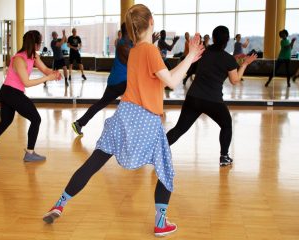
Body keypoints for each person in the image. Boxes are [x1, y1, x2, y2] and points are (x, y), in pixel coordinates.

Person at [43, 4, 204, 237]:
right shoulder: (150, 50)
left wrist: (189, 58)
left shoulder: (137, 50)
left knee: (94, 162)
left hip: (124, 113)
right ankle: (160, 222)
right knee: (166, 169)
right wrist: (190, 56)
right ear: (151, 22)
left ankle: (59, 203)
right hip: (145, 118)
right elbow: (171, 82)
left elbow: (164, 78)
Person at [166, 26, 257, 167]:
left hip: (193, 98)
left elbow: (189, 62)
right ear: (227, 40)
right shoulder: (228, 59)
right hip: (213, 101)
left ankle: (158, 150)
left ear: (213, 38)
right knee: (226, 125)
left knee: (179, 129)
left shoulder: (203, 52)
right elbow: (235, 80)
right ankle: (224, 157)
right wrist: (245, 63)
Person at [0, 30, 61, 162]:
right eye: (39, 42)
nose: (40, 45)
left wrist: (54, 73)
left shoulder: (33, 56)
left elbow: (45, 69)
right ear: (34, 44)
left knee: (4, 122)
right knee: (36, 119)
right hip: (10, 93)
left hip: (10, 92)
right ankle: (30, 153)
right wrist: (47, 78)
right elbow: (26, 83)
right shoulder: (19, 59)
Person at [72, 23, 132, 136]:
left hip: (119, 81)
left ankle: (79, 123)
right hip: (120, 82)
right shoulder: (122, 45)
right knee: (132, 104)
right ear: (128, 31)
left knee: (106, 104)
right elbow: (136, 58)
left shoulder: (129, 43)